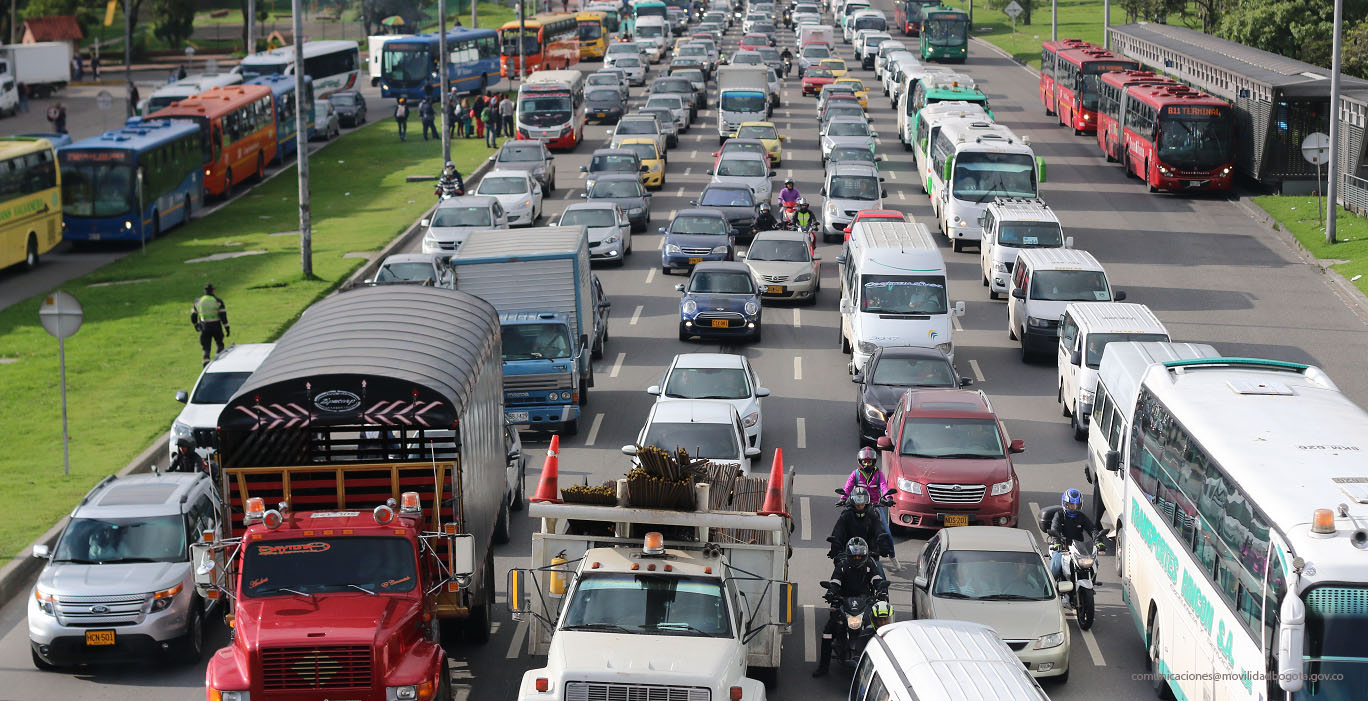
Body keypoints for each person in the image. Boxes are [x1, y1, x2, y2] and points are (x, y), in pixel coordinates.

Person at [813, 537, 887, 677]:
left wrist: (881, 590)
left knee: (876, 631)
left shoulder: (870, 564)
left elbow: (877, 579)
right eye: (854, 556)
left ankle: (880, 666)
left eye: (860, 556)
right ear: (849, 555)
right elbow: (835, 580)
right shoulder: (842, 565)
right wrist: (831, 592)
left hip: (864, 602)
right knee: (828, 632)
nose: (857, 558)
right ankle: (823, 667)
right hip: (844, 602)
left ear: (865, 555)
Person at [1045, 488, 1105, 583]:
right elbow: (1054, 528)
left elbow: (1092, 529)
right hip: (1062, 547)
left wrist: (1098, 541)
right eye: (1072, 505)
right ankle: (1050, 587)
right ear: (1065, 504)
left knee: (1094, 562)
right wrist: (1057, 541)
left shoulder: (1081, 517)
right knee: (1056, 566)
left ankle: (1091, 582)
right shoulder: (1059, 515)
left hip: (1078, 547)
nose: (1074, 507)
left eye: (1077, 505)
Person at [828, 486, 893, 562]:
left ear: (866, 503)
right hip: (848, 553)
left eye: (862, 504)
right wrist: (835, 547)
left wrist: (883, 546)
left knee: (879, 572)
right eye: (857, 504)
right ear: (853, 503)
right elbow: (838, 532)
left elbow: (879, 530)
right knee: (838, 570)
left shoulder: (872, 515)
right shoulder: (846, 515)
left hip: (869, 552)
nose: (860, 507)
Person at [190, 283, 229, 365]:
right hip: (216, 326)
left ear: (205, 291)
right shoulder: (218, 301)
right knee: (219, 343)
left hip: (204, 326)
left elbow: (193, 315)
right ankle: (219, 362)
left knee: (206, 346)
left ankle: (205, 361)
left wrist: (196, 324)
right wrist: (226, 327)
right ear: (213, 290)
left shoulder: (198, 301)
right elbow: (223, 315)